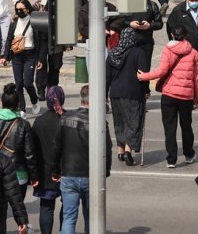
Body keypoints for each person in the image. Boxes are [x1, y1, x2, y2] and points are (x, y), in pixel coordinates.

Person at [51, 85, 112, 234]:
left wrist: (55, 170)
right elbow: (107, 150)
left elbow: (56, 147)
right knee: (90, 217)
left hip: (69, 173)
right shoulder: (100, 123)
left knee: (69, 217)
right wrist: (105, 172)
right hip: (90, 175)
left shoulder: (65, 118)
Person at [138, 24, 198, 168]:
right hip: (186, 96)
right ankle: (189, 154)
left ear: (172, 35)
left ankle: (171, 159)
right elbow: (196, 77)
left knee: (169, 127)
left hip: (169, 94)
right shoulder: (193, 52)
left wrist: (144, 76)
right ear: (186, 36)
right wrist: (197, 95)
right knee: (186, 126)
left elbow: (161, 71)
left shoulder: (168, 49)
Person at [106, 28, 151, 166]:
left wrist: (104, 94)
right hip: (133, 93)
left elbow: (106, 77)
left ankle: (120, 151)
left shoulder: (113, 54)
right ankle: (127, 151)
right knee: (133, 122)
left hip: (115, 93)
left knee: (120, 122)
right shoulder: (139, 53)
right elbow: (142, 75)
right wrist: (145, 91)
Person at [30, 86, 64, 234]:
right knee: (67, 206)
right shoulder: (67, 118)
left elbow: (33, 149)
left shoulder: (39, 121)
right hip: (65, 171)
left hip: (44, 172)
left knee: (46, 207)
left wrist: (34, 175)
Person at [4, 0, 44, 114]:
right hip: (17, 55)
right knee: (19, 84)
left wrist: (40, 59)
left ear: (27, 9)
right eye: (17, 9)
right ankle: (22, 109)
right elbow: (9, 39)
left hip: (30, 55)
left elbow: (40, 41)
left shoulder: (34, 21)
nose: (19, 11)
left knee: (27, 83)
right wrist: (6, 56)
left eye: (21, 9)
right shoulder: (14, 21)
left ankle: (34, 100)